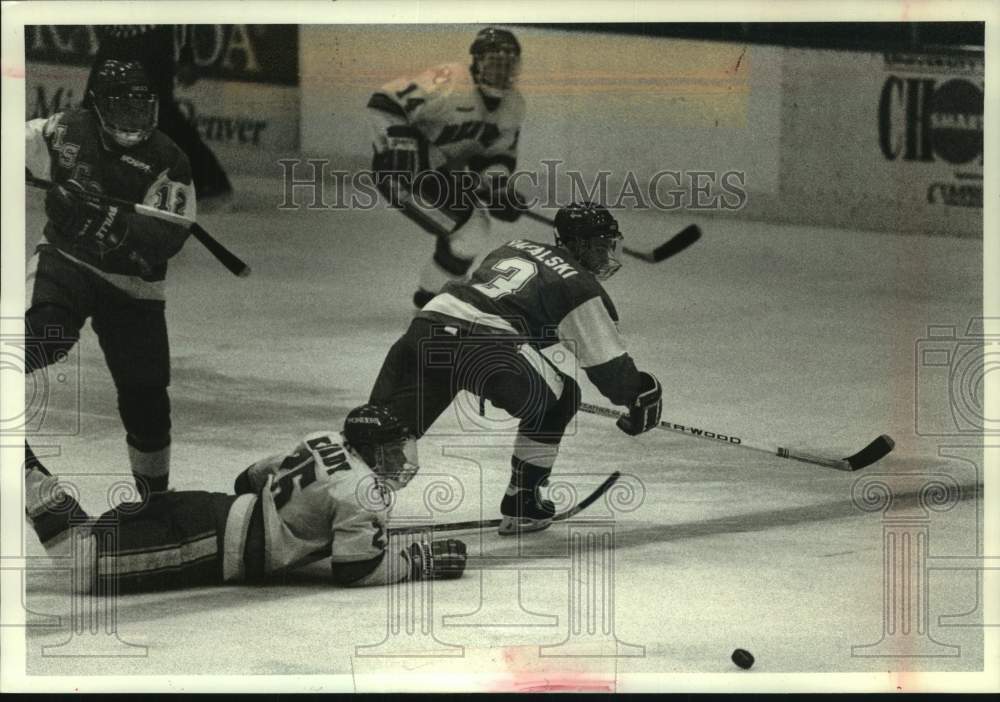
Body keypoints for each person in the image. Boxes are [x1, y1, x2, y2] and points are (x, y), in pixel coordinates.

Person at [369, 202, 663, 535]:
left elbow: (504, 302)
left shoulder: (516, 246)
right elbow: (612, 374)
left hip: (427, 328)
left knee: (382, 431)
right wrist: (641, 393)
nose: (604, 255)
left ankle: (352, 504)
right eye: (598, 246)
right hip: (484, 345)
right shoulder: (580, 286)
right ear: (577, 245)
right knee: (563, 397)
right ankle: (524, 501)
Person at [23, 404, 468, 593]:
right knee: (79, 561)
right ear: (371, 450)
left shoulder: (324, 438)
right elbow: (355, 570)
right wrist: (417, 561)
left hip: (205, 508)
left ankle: (21, 464)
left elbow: (249, 477)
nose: (401, 461)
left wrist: (297, 517)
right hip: (208, 541)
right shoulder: (365, 492)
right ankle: (16, 464)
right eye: (392, 451)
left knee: (89, 537)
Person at [25, 59, 195, 499]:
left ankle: (154, 503)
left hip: (132, 286)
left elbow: (165, 238)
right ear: (96, 106)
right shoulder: (63, 131)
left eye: (141, 108)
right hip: (66, 262)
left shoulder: (169, 160)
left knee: (147, 398)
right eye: (121, 107)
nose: (132, 119)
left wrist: (98, 221)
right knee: (44, 333)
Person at [366, 27, 527, 309]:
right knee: (470, 228)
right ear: (476, 63)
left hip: (437, 174)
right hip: (399, 175)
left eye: (508, 64)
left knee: (473, 229)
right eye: (494, 62)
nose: (501, 72)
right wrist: (401, 150)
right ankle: (433, 299)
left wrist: (498, 189)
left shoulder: (514, 106)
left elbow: (495, 156)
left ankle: (432, 297)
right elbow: (384, 102)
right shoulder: (451, 80)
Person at [84, 25, 233, 203]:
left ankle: (210, 180)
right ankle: (85, 175)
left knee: (161, 113)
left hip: (152, 37)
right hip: (116, 34)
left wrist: (186, 55)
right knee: (94, 105)